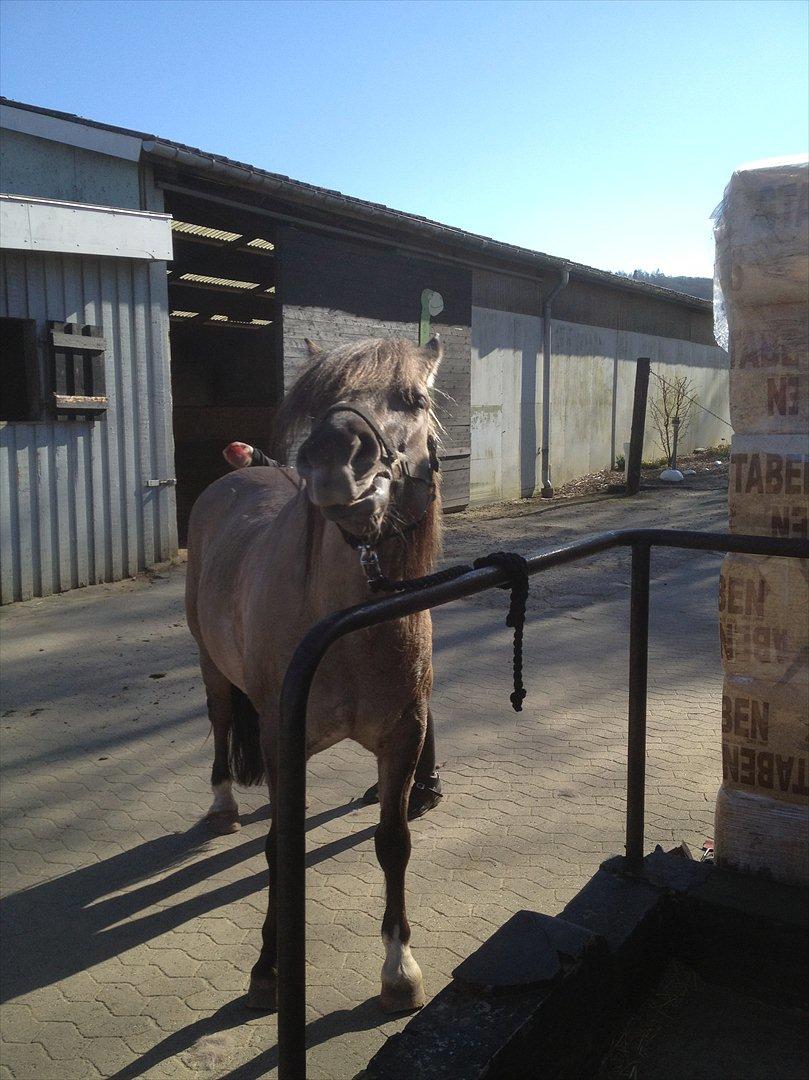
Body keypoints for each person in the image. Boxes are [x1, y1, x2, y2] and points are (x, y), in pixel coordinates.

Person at [222, 441, 443, 818]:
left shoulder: (405, 461)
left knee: (408, 682)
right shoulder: (339, 457)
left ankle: (424, 779)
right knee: (402, 680)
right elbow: (308, 483)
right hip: (353, 574)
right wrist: (260, 461)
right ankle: (412, 776)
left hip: (388, 568)